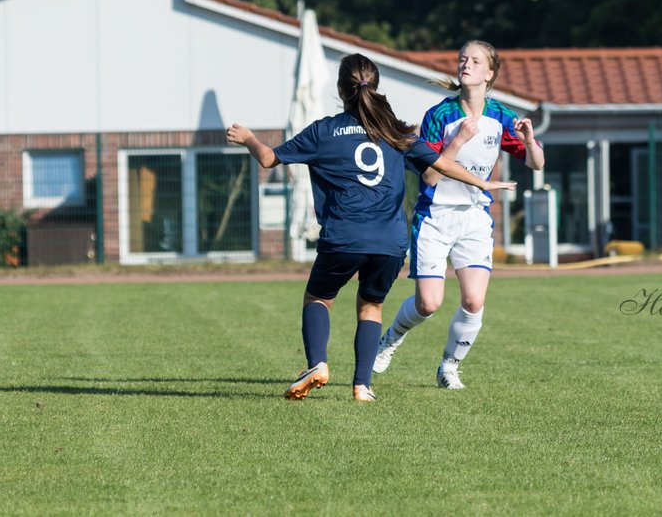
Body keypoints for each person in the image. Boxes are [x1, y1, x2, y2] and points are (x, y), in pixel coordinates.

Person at [227, 52, 515, 402]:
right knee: (370, 307)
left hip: (345, 236)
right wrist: (482, 184)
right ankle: (362, 386)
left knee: (318, 297)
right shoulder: (395, 131)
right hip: (391, 242)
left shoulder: (325, 130)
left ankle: (317, 363)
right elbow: (440, 165)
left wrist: (248, 139)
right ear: (375, 87)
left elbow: (269, 158)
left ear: (340, 89)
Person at [374, 40, 544, 389]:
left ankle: (449, 367)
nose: (465, 65)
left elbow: (537, 164)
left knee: (473, 299)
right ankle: (390, 339)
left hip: (474, 218)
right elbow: (430, 176)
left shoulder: (501, 116)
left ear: (489, 73)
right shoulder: (440, 115)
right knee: (429, 304)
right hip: (435, 217)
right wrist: (458, 142)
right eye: (462, 59)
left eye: (475, 61)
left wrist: (529, 141)